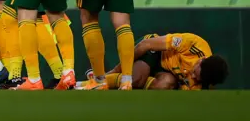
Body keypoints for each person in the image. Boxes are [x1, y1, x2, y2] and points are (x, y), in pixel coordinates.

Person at [92, 33, 229, 90]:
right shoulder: (192, 44)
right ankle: (96, 81)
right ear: (201, 60)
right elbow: (145, 45)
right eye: (195, 72)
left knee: (164, 85)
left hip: (167, 73)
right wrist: (117, 69)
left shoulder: (203, 83)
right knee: (136, 79)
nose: (192, 77)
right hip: (155, 53)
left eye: (197, 79)